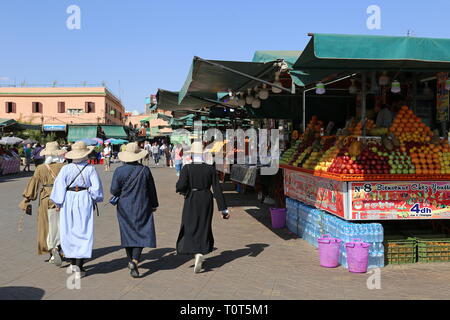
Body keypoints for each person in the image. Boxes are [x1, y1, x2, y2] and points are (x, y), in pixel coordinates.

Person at [50, 141, 104, 278]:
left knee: (68, 230)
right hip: (84, 199)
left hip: (68, 199)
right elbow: (96, 190)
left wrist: (58, 202)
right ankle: (80, 266)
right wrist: (92, 196)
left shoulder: (66, 169)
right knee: (83, 230)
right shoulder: (90, 169)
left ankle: (73, 264)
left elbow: (59, 187)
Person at [175, 142, 229, 273]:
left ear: (192, 154)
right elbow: (217, 188)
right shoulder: (210, 168)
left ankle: (195, 252)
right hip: (206, 198)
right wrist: (223, 209)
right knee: (204, 225)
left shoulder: (187, 168)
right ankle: (200, 251)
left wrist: (185, 189)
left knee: (190, 225)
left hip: (192, 198)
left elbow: (179, 186)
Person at [110, 143, 159, 278]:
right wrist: (154, 204)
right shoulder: (145, 170)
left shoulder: (119, 171)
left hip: (124, 207)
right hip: (142, 205)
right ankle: (135, 260)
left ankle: (130, 260)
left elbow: (113, 190)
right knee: (142, 232)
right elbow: (151, 190)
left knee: (128, 233)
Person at [19, 142, 66, 266]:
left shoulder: (41, 168)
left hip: (46, 198)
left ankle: (52, 252)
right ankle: (60, 248)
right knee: (62, 225)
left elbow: (33, 184)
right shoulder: (65, 166)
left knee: (47, 225)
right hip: (63, 199)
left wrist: (27, 199)